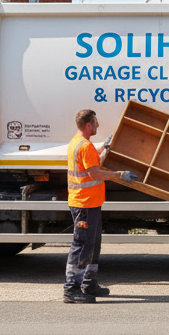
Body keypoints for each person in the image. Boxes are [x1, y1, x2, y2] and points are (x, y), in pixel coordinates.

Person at [64, 109, 138, 304]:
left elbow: (93, 163)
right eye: (95, 122)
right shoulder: (84, 146)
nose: (98, 125)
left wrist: (105, 148)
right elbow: (95, 173)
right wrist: (118, 175)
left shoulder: (78, 143)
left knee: (92, 246)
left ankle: (88, 284)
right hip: (84, 204)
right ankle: (71, 289)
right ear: (88, 125)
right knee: (81, 247)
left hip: (89, 203)